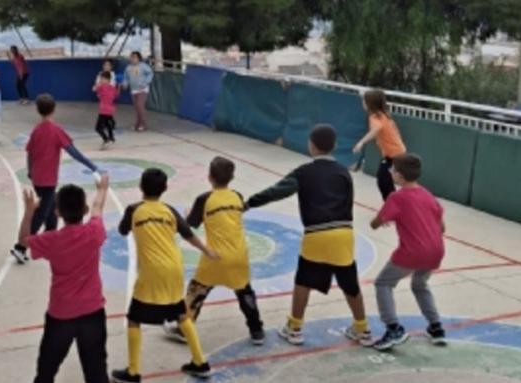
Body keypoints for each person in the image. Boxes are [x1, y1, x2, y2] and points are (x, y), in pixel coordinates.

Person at [247, 124, 373, 347]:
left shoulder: (304, 172)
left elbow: (278, 191)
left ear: (311, 146)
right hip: (344, 232)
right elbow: (348, 203)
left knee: (303, 281)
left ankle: (294, 328)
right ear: (334, 146)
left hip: (316, 233)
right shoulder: (344, 173)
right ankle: (362, 329)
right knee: (349, 283)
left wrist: (249, 203)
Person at [111, 169, 217, 382]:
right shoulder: (169, 210)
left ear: (140, 187)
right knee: (181, 313)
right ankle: (200, 362)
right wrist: (207, 251)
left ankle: (133, 372)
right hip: (175, 267)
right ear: (165, 189)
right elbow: (189, 235)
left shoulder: (133, 210)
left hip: (152, 271)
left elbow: (122, 231)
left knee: (134, 319)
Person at [17, 176, 112, 383]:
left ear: (57, 212)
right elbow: (97, 207)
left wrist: (29, 211)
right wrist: (102, 189)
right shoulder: (94, 232)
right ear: (84, 210)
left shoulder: (52, 240)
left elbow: (23, 240)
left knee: (46, 371)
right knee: (96, 372)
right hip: (92, 312)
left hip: (60, 315)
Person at [163, 157, 265, 345]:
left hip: (215, 256)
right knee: (245, 291)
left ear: (209, 176)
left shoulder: (204, 199)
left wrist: (186, 214)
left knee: (196, 291)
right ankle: (256, 330)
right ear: (232, 177)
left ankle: (183, 329)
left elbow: (191, 224)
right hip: (239, 254)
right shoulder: (237, 195)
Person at [10, 94, 100, 264]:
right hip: (48, 181)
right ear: (54, 109)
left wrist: (30, 171)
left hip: (37, 178)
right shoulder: (56, 131)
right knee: (40, 214)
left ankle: (50, 242)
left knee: (52, 209)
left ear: (38, 110)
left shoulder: (37, 130)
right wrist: (91, 165)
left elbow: (29, 152)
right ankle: (20, 247)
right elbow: (73, 151)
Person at [370, 153, 447, 351]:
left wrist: (382, 219)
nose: (390, 172)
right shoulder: (428, 195)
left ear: (400, 176)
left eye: (393, 170)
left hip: (413, 252)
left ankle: (393, 327)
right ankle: (436, 327)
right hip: (436, 250)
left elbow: (374, 224)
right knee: (420, 284)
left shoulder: (397, 197)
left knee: (383, 283)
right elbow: (442, 227)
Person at [353, 89, 407, 200]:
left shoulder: (374, 117)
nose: (362, 102)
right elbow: (395, 130)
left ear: (370, 103)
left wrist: (361, 142)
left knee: (383, 179)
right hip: (394, 153)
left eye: (364, 101)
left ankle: (393, 204)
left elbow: (376, 129)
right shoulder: (384, 115)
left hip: (395, 154)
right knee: (384, 180)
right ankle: (393, 203)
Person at [122, 51, 153, 132]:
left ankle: (143, 124)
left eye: (135, 57)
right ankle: (138, 124)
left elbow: (150, 73)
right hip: (133, 90)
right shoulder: (128, 68)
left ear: (139, 58)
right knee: (137, 108)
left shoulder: (143, 66)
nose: (133, 59)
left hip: (142, 89)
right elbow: (126, 77)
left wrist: (145, 82)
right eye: (131, 57)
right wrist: (125, 84)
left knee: (140, 106)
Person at [93, 72, 119, 149]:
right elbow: (116, 95)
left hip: (104, 110)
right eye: (101, 78)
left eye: (103, 79)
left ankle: (106, 139)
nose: (101, 80)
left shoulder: (102, 87)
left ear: (108, 80)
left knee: (98, 128)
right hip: (110, 110)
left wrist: (97, 86)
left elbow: (94, 89)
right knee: (108, 125)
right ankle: (111, 137)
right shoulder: (112, 87)